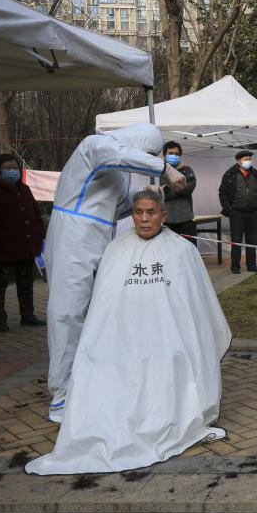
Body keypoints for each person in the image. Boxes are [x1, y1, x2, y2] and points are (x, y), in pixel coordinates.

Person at [26, 188, 230, 475]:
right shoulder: (115, 251)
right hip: (124, 339)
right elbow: (104, 305)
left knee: (174, 362)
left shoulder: (183, 251)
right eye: (138, 212)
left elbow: (196, 305)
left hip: (170, 338)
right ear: (131, 215)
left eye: (151, 212)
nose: (144, 219)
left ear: (163, 215)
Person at [45, 123, 185, 423]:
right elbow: (115, 155)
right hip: (74, 235)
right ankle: (61, 395)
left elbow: (118, 207)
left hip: (97, 238)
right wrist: (165, 169)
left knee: (97, 312)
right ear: (136, 141)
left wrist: (145, 194)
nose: (144, 158)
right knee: (67, 314)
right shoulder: (95, 146)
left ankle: (87, 383)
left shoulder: (119, 173)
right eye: (146, 152)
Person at [0, 153, 47, 332]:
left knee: (26, 283)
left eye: (15, 168)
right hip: (3, 248)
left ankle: (27, 315)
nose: (13, 171)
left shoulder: (24, 189)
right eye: (8, 169)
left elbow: (35, 214)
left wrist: (38, 233)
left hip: (26, 246)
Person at [218, 150, 257, 274]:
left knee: (252, 240)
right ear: (238, 161)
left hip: (254, 213)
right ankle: (235, 267)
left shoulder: (256, 174)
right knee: (236, 240)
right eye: (245, 159)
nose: (248, 162)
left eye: (249, 159)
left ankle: (251, 265)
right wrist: (229, 210)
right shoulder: (229, 174)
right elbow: (222, 193)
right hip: (236, 213)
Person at [161, 142, 198, 245]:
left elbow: (188, 189)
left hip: (186, 221)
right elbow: (157, 194)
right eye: (171, 153)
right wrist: (178, 187)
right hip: (166, 222)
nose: (174, 156)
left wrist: (167, 188)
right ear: (164, 155)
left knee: (190, 252)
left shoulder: (187, 171)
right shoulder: (158, 172)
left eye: (177, 154)